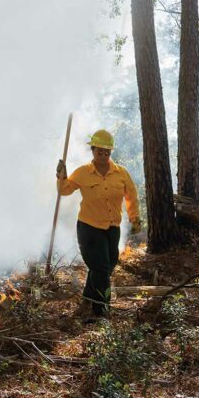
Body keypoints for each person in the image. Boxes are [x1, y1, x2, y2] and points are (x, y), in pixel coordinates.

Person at [55, 129, 142, 321]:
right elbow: (64, 190)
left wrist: (135, 218)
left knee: (107, 265)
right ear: (93, 151)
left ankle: (88, 297)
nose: (103, 155)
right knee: (102, 270)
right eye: (99, 151)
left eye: (107, 152)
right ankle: (101, 311)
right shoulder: (84, 172)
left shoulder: (121, 173)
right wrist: (62, 175)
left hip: (112, 228)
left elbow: (132, 196)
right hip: (89, 228)